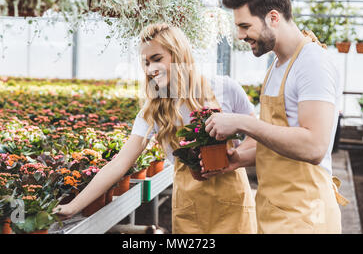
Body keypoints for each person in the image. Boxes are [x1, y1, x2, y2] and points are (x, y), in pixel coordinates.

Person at [54, 22, 258, 234]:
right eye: (146, 63)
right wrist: (73, 206)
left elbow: (256, 136)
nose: (151, 69)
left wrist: (233, 158)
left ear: (178, 54)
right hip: (191, 210)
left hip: (233, 205)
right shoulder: (154, 109)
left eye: (157, 59)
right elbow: (120, 163)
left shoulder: (225, 88)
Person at [204, 0, 349, 234]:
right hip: (277, 212)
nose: (240, 35)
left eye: (245, 26)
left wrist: (242, 122)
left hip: (305, 217)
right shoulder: (277, 66)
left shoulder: (312, 63)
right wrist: (238, 158)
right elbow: (277, 140)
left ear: (273, 17)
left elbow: (314, 146)